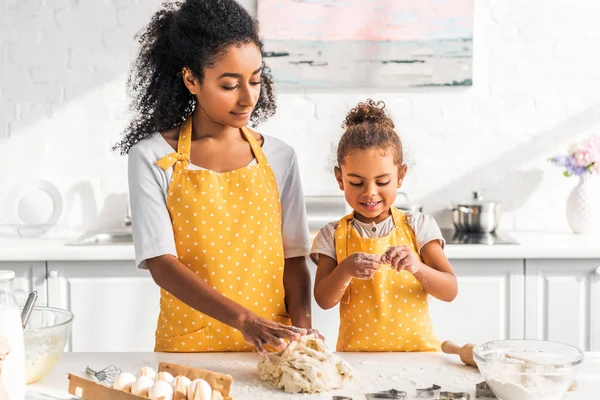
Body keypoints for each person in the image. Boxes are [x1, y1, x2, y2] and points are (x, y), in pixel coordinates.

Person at [115, 0, 314, 354]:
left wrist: (303, 337)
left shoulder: (280, 157)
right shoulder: (152, 157)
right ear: (191, 79)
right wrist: (244, 321)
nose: (248, 97)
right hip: (191, 349)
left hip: (272, 350)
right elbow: (162, 264)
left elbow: (295, 259)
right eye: (229, 85)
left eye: (255, 80)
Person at [311, 100, 458, 352]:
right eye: (356, 182)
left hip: (418, 356)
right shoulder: (332, 234)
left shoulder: (418, 226)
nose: (370, 193)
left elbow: (449, 290)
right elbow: (324, 300)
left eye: (382, 181)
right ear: (339, 179)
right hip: (355, 359)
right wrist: (345, 269)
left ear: (400, 176)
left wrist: (416, 265)